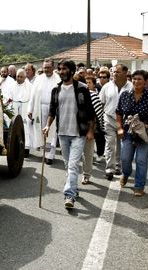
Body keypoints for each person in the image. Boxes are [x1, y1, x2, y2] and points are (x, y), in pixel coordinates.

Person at [43, 60, 95, 209]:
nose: (61, 71)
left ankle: (69, 195)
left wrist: (91, 130)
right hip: (62, 133)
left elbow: (90, 112)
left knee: (72, 165)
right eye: (59, 69)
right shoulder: (56, 89)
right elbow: (52, 111)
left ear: (72, 71)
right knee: (68, 165)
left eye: (64, 69)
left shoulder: (82, 89)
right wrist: (47, 125)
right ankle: (74, 188)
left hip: (79, 133)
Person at [116, 70, 148, 197]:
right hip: (128, 133)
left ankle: (139, 185)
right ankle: (126, 173)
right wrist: (119, 128)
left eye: (139, 79)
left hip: (144, 134)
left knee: (141, 160)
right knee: (125, 159)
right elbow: (118, 113)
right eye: (134, 79)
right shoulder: (124, 95)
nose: (136, 81)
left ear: (146, 81)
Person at [99, 64, 133, 180]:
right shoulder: (106, 87)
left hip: (125, 121)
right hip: (109, 118)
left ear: (125, 73)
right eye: (113, 72)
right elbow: (101, 103)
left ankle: (118, 166)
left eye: (117, 72)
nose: (114, 74)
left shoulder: (131, 87)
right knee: (110, 144)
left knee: (121, 145)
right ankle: (109, 169)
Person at [28, 59, 61, 164]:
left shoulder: (58, 79)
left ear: (53, 68)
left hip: (53, 109)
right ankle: (44, 153)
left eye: (48, 67)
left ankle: (50, 155)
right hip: (40, 108)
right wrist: (30, 109)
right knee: (42, 130)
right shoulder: (39, 79)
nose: (46, 69)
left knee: (52, 130)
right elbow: (32, 96)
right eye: (44, 67)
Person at [81, 75, 105, 184]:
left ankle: (86, 175)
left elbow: (99, 115)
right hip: (75, 129)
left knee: (88, 153)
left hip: (89, 129)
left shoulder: (94, 96)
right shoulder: (76, 95)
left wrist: (95, 130)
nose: (86, 85)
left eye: (89, 82)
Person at [10, 69, 34, 156]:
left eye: (21, 77)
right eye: (17, 76)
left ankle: (26, 148)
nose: (19, 78)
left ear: (25, 77)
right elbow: (9, 97)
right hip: (15, 107)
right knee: (15, 127)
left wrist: (30, 110)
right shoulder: (12, 85)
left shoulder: (30, 86)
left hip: (25, 107)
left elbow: (32, 99)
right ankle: (15, 146)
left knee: (26, 127)